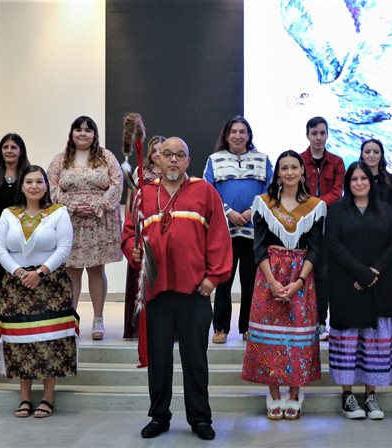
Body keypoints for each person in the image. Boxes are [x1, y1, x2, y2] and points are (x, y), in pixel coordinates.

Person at [121, 137, 232, 441]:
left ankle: (199, 417)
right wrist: (133, 249)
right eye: (166, 154)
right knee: (159, 358)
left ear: (188, 160)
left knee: (195, 358)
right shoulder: (143, 195)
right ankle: (159, 416)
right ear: (157, 159)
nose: (172, 160)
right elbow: (130, 234)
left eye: (179, 155)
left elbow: (220, 237)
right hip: (156, 289)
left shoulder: (204, 191)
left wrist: (214, 277)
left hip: (194, 290)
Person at [242, 150, 326, 421]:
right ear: (277, 173)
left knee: (297, 338)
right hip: (270, 275)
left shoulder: (315, 206)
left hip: (301, 276)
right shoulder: (264, 204)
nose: (289, 172)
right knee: (271, 337)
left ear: (303, 171)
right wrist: (272, 280)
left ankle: (294, 395)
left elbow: (315, 248)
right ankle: (274, 395)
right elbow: (259, 246)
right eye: (284, 168)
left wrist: (299, 281)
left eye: (294, 167)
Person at [0, 165, 77, 419]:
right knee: (21, 344)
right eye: (29, 182)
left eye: (39, 182)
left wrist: (39, 273)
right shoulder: (9, 214)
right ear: (22, 186)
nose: (34, 186)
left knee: (50, 342)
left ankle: (48, 398)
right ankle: (25, 399)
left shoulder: (58, 212)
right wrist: (20, 273)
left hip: (51, 285)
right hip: (15, 286)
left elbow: (64, 248)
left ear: (46, 186)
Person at [324, 162, 392, 420]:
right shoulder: (336, 211)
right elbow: (334, 246)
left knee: (374, 343)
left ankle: (370, 396)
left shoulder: (387, 212)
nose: (359, 183)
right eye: (354, 179)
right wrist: (362, 274)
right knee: (349, 343)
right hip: (347, 285)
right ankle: (347, 396)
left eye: (363, 179)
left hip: (379, 286)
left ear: (371, 181)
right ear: (348, 183)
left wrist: (372, 273)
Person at [47, 116, 123, 340]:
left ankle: (98, 319)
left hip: (99, 221)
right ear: (71, 133)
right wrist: (71, 205)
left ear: (94, 134)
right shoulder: (61, 159)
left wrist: (98, 205)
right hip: (70, 221)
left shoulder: (106, 157)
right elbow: (49, 184)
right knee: (71, 270)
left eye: (88, 130)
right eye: (78, 130)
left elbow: (117, 183)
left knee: (97, 270)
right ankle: (70, 318)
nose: (83, 134)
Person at [205, 116, 273, 344]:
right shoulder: (215, 160)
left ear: (249, 135)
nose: (237, 135)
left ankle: (248, 327)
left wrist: (252, 210)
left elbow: (270, 189)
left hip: (254, 231)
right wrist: (228, 211)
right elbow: (209, 190)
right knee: (223, 279)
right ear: (226, 135)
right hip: (225, 231)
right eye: (233, 131)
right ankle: (220, 328)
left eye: (242, 131)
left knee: (251, 280)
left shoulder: (262, 160)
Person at [299, 116, 344, 340]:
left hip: (328, 224)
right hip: (302, 224)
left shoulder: (336, 162)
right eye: (314, 133)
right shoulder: (297, 160)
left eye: (322, 133)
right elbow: (293, 189)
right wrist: (309, 207)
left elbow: (337, 191)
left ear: (327, 135)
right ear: (307, 134)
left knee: (323, 275)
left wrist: (318, 205)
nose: (318, 137)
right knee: (300, 272)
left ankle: (320, 323)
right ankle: (301, 321)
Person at [0, 133, 31, 342]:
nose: (9, 151)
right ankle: (0, 325)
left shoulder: (28, 173)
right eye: (6, 147)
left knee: (25, 280)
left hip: (25, 238)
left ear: (21, 150)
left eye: (13, 147)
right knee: (2, 282)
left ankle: (25, 323)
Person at [122, 134, 165, 340]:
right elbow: (132, 199)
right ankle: (137, 327)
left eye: (162, 150)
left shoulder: (175, 173)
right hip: (142, 227)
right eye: (154, 150)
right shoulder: (142, 171)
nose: (158, 154)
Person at [360, 138, 392, 208]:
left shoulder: (390, 179)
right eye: (367, 152)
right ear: (362, 155)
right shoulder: (355, 178)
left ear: (381, 155)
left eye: (376, 152)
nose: (371, 155)